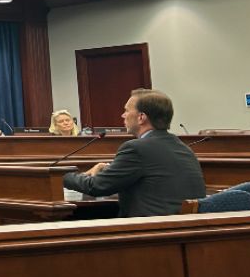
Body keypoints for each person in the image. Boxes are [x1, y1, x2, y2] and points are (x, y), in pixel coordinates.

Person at [62, 90, 205, 217]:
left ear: (141, 117)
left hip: (150, 233)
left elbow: (96, 186)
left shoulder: (136, 148)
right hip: (184, 229)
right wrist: (107, 170)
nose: (123, 115)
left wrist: (62, 177)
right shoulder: (183, 147)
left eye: (127, 110)